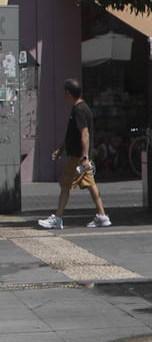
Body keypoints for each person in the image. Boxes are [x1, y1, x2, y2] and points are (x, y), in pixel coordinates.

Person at [38, 78, 111, 229]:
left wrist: (84, 157)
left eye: (64, 93)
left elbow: (84, 134)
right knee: (91, 185)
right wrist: (61, 149)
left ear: (68, 93)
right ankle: (102, 216)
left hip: (78, 157)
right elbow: (71, 134)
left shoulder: (79, 110)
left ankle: (57, 218)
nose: (64, 96)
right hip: (81, 156)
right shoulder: (80, 108)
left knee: (65, 185)